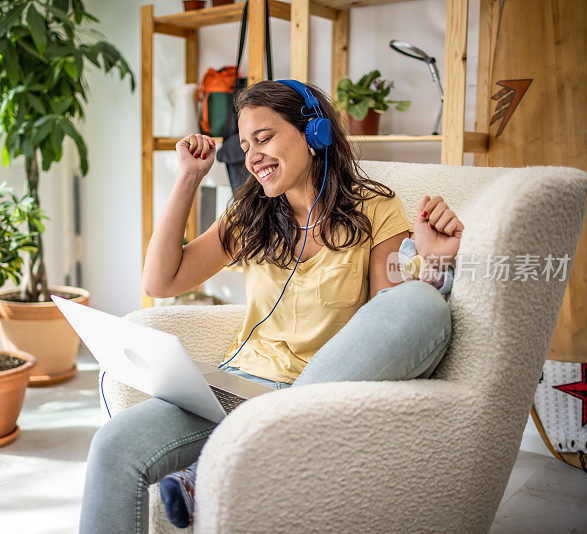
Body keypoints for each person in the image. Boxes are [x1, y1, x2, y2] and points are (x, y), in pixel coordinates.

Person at [79, 81, 463, 533]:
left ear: (314, 133)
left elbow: (388, 312)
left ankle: (228, 458)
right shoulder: (251, 212)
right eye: (245, 146)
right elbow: (160, 282)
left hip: (317, 395)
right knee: (113, 447)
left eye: (264, 138)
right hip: (237, 387)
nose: (252, 156)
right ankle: (237, 446)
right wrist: (188, 178)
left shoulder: (375, 207)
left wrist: (434, 263)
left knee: (422, 305)